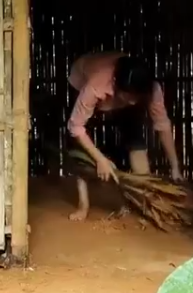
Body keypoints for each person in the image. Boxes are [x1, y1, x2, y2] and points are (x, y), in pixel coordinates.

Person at [66, 51, 182, 221]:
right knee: (81, 150)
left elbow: (162, 125)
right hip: (82, 76)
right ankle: (83, 205)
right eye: (129, 96)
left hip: (117, 90)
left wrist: (175, 166)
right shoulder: (95, 85)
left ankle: (143, 201)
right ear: (115, 84)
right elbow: (76, 127)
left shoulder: (150, 89)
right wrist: (100, 159)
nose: (133, 102)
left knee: (135, 137)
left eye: (137, 97)